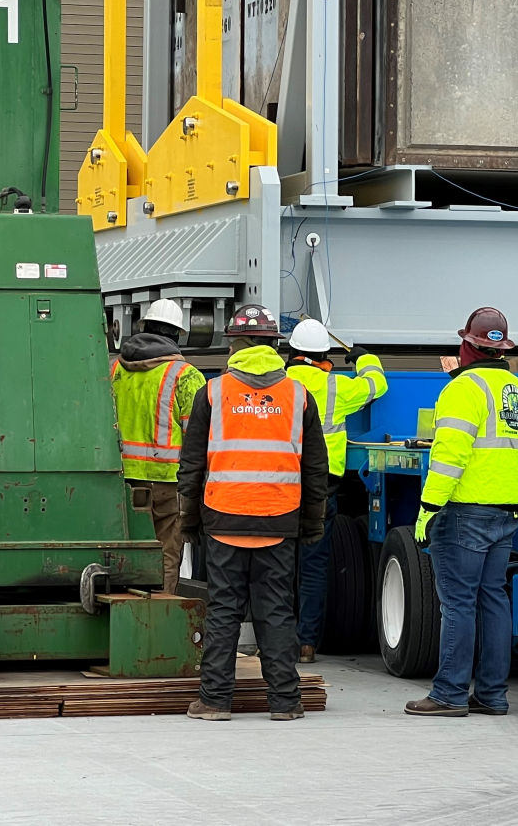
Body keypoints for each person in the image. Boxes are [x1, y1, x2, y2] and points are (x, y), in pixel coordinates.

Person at [178, 304, 329, 722]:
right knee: (276, 611)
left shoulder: (212, 392)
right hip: (279, 520)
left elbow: (191, 466)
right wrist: (312, 524)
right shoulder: (298, 396)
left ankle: (214, 701)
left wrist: (189, 521)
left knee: (224, 610)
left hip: (223, 518)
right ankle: (285, 703)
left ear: (235, 343)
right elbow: (316, 469)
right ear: (273, 346)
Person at [405, 307, 518, 717]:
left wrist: (429, 507)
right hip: (507, 511)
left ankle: (448, 694)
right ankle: (492, 695)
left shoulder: (463, 389)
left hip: (465, 511)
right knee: (493, 600)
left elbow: (448, 456)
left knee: (459, 603)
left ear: (467, 346)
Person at [284, 318, 388, 663]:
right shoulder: (336, 387)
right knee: (313, 566)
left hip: (279, 485)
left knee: (277, 564)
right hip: (320, 488)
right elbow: (377, 385)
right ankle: (306, 644)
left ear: (293, 352)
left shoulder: (279, 383)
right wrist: (364, 358)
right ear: (324, 355)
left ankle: (276, 640)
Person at [110, 298, 207, 594]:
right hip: (167, 480)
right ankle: (159, 612)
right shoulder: (185, 375)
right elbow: (197, 437)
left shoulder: (115, 368)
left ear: (143, 326)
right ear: (177, 334)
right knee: (167, 549)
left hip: (121, 479)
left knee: (126, 551)